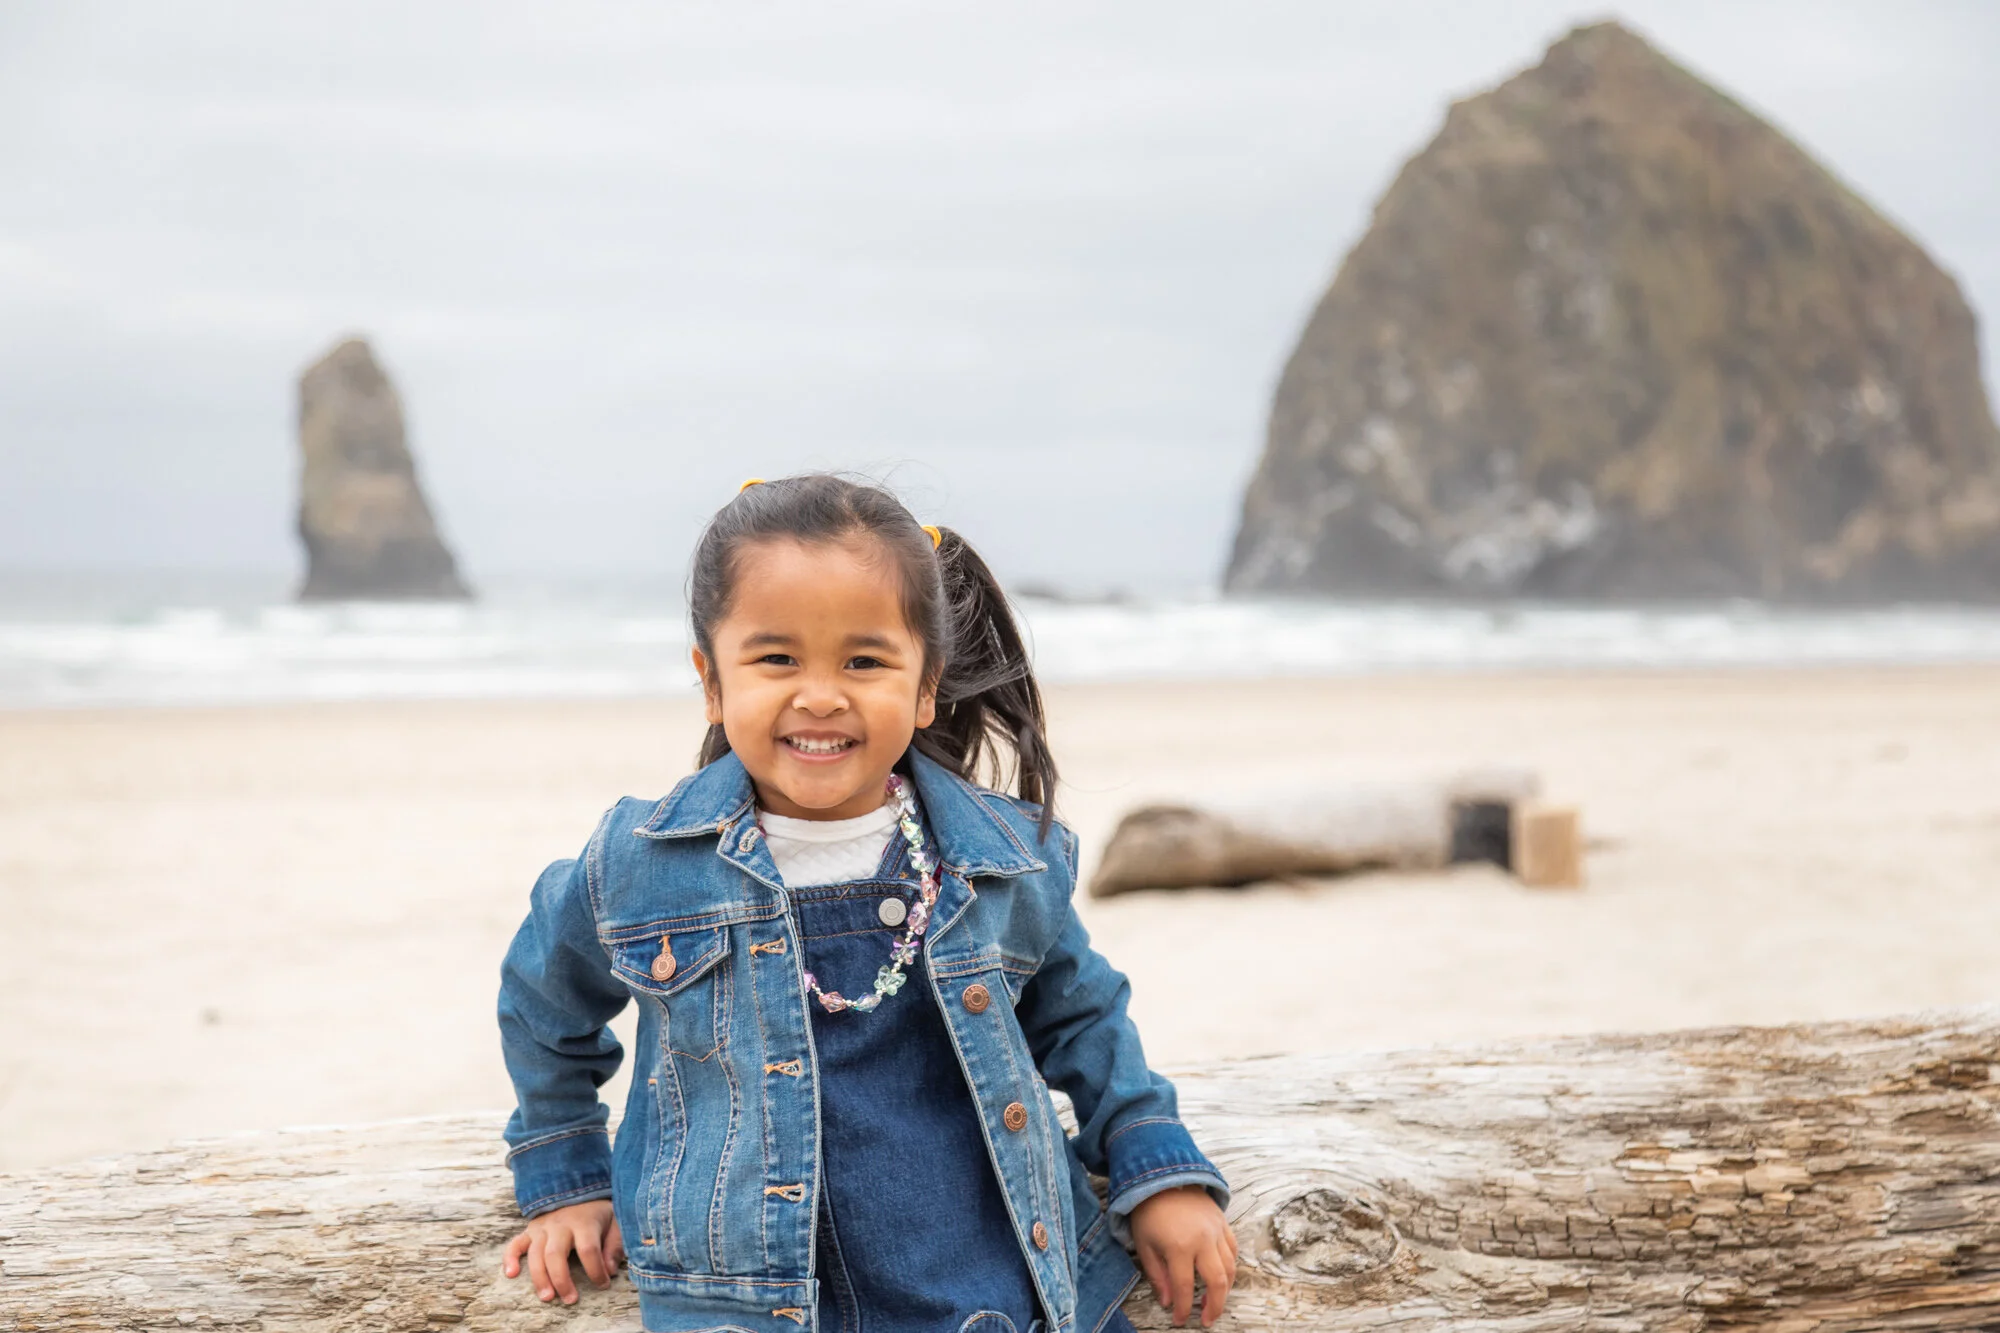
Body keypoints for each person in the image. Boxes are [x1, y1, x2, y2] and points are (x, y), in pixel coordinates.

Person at [496, 474, 1236, 1333]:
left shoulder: (997, 860)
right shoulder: (643, 864)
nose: (820, 694)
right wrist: (567, 1173)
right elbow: (545, 997)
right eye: (777, 659)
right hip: (751, 1308)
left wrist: (1156, 1164)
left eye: (864, 660)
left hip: (998, 1289)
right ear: (711, 680)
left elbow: (1084, 1015)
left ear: (926, 686)